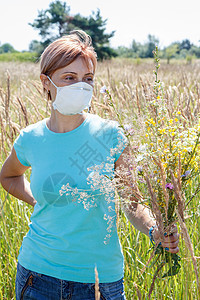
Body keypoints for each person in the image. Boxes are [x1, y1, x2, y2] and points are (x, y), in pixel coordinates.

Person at [0, 30, 179, 300]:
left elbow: (132, 202)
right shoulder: (30, 138)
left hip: (99, 281)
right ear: (46, 82)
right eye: (69, 78)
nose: (81, 87)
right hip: (37, 276)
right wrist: (37, 200)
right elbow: (9, 176)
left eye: (88, 79)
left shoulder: (112, 136)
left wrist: (154, 230)